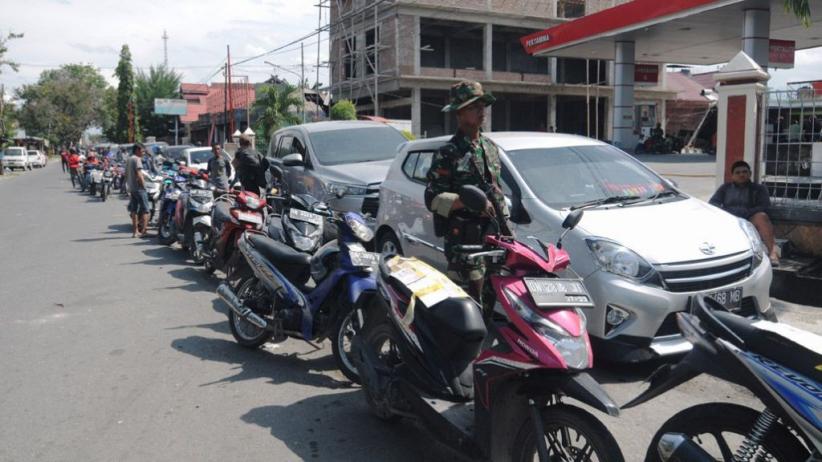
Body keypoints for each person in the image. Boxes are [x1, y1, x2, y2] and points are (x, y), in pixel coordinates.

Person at [425, 80, 511, 304]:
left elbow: (497, 189)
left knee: (492, 302)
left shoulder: (490, 148)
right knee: (468, 305)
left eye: (482, 106)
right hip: (465, 242)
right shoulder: (448, 153)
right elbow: (432, 199)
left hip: (493, 237)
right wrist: (468, 203)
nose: (481, 112)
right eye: (474, 107)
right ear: (459, 114)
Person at [709, 160, 779, 266]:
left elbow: (765, 206)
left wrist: (746, 213)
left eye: (744, 172)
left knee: (761, 217)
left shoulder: (759, 189)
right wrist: (727, 213)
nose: (741, 174)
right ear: (732, 176)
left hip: (749, 220)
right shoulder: (725, 188)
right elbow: (713, 203)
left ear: (750, 174)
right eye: (737, 172)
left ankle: (773, 253)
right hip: (730, 220)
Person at [126, 143, 150, 238]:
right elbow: (139, 174)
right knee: (146, 210)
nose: (143, 153)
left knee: (134, 210)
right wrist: (144, 186)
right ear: (137, 150)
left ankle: (135, 232)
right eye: (142, 151)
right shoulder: (137, 159)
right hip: (139, 188)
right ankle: (144, 231)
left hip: (132, 188)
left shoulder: (129, 159)